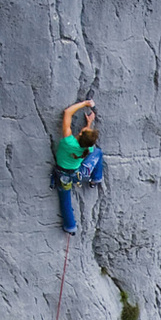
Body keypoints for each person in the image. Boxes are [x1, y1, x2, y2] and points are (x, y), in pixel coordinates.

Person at [51, 99, 104, 234]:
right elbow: (87, 140)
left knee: (65, 199)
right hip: (79, 174)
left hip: (63, 176)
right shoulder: (89, 148)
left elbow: (68, 113)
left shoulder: (68, 142)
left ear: (80, 134)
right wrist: (89, 123)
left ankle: (70, 227)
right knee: (99, 153)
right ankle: (96, 178)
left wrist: (85, 104)